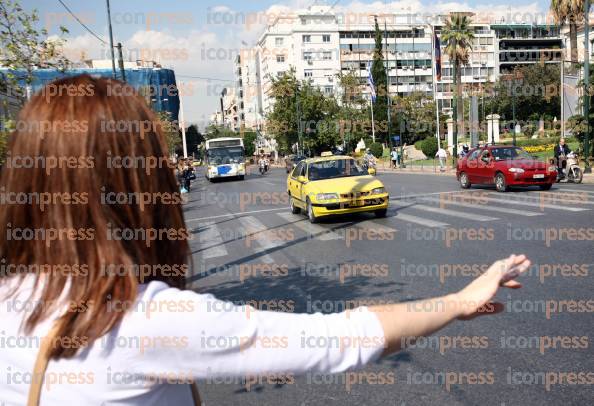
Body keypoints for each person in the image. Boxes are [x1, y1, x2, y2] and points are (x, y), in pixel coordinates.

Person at [0, 75, 532, 404]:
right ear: (139, 184)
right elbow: (340, 341)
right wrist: (459, 301)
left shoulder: (10, 301)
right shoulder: (138, 320)